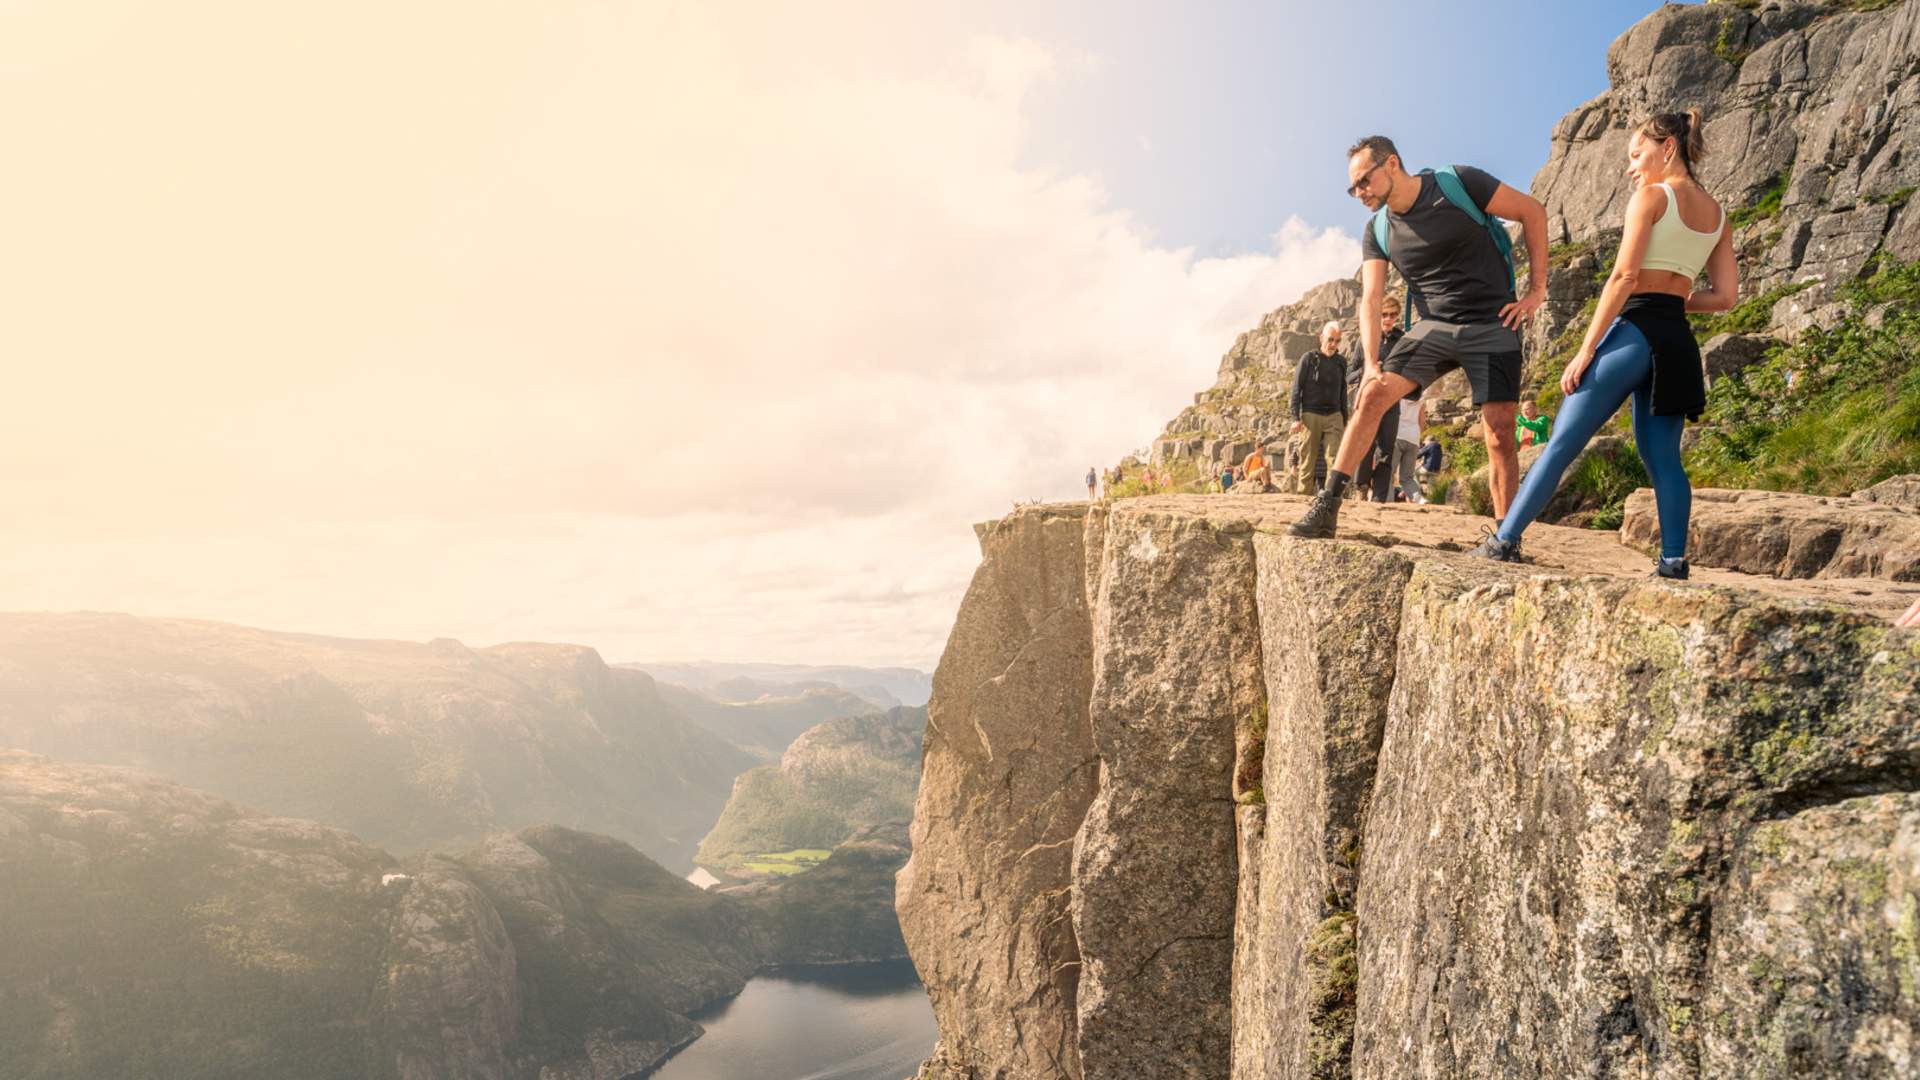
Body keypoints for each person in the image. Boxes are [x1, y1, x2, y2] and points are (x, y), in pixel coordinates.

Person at [1466, 110, 1736, 577]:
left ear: (1666, 146)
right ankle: (1673, 563)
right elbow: (1725, 297)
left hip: (1632, 335)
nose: (1631, 168)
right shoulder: (1718, 216)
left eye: (1637, 154)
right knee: (1664, 460)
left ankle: (1504, 541)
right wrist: (1672, 302)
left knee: (1562, 445)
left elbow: (1624, 277)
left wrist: (1587, 349)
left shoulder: (1651, 197)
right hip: (1676, 342)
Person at [1290, 135, 1547, 539]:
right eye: (1352, 187)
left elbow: (1532, 212)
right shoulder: (1377, 229)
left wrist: (1536, 291)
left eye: (1364, 181)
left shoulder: (1459, 183)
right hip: (1433, 328)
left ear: (1391, 163)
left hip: (1491, 322)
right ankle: (1327, 507)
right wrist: (1372, 363)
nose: (1359, 193)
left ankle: (1506, 537)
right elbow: (1371, 299)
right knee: (1372, 396)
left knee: (1499, 432)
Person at [1291, 321, 1350, 494]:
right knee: (1308, 458)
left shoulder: (1341, 362)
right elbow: (1296, 389)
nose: (1333, 345)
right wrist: (1295, 418)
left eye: (1338, 341)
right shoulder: (1308, 359)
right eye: (1330, 340)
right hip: (1311, 414)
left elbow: (1343, 392)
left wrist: (1344, 420)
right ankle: (1303, 497)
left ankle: (1332, 498)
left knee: (1335, 457)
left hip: (1334, 415)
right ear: (1321, 338)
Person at [1392, 397, 1429, 504]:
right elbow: (1422, 421)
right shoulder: (1421, 400)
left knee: (1389, 474)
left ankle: (1387, 500)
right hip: (1413, 438)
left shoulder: (1398, 395)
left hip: (1397, 435)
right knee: (1407, 477)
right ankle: (1419, 499)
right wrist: (1417, 436)